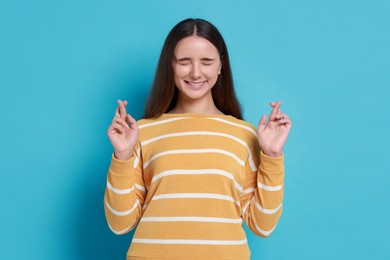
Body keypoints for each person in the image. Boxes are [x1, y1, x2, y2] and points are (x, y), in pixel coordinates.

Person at [104, 18, 292, 260]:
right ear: (169, 66)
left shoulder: (245, 135)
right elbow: (119, 224)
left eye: (206, 61)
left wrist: (272, 157)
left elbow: (262, 225)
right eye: (184, 62)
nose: (195, 72)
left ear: (220, 65)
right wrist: (122, 156)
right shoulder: (142, 131)